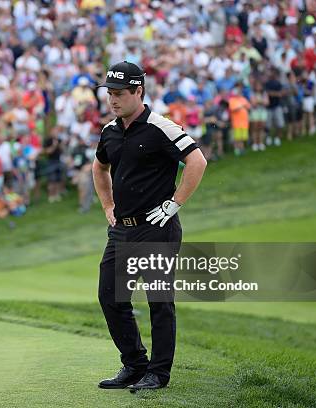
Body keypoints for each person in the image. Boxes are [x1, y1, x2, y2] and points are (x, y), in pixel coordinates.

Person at [92, 61, 207, 391]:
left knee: (159, 300)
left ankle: (158, 373)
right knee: (110, 297)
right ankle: (134, 364)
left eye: (119, 94)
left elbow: (197, 161)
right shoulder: (110, 131)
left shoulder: (161, 127)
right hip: (122, 230)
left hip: (157, 229)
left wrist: (174, 204)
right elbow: (99, 170)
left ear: (138, 92)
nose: (112, 100)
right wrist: (108, 206)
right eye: (109, 94)